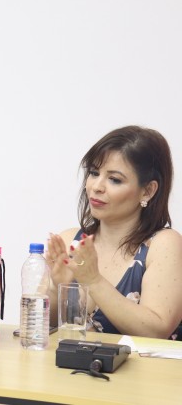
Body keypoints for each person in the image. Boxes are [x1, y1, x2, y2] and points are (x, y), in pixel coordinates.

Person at [47, 125, 182, 339]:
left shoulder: (164, 244)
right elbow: (40, 326)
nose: (96, 187)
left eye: (115, 179)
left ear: (148, 191)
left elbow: (156, 331)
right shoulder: (70, 241)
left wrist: (93, 281)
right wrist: (58, 288)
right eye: (94, 173)